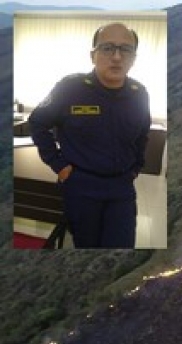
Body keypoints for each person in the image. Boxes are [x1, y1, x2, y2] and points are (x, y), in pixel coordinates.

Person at [29, 22, 150, 248]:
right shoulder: (70, 88)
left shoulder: (139, 93)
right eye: (107, 48)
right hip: (81, 186)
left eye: (125, 49)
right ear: (92, 55)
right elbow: (37, 123)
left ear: (133, 58)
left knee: (121, 246)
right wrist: (59, 165)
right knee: (87, 246)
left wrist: (136, 168)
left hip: (122, 188)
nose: (116, 57)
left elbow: (142, 134)